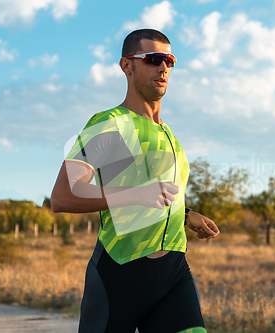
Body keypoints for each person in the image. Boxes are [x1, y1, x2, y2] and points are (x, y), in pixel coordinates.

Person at [50, 28, 220, 333]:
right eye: (154, 58)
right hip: (119, 273)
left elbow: (154, 192)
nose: (163, 67)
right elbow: (63, 197)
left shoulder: (170, 136)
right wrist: (135, 194)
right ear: (127, 65)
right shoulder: (109, 124)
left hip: (173, 273)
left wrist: (185, 214)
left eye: (169, 60)